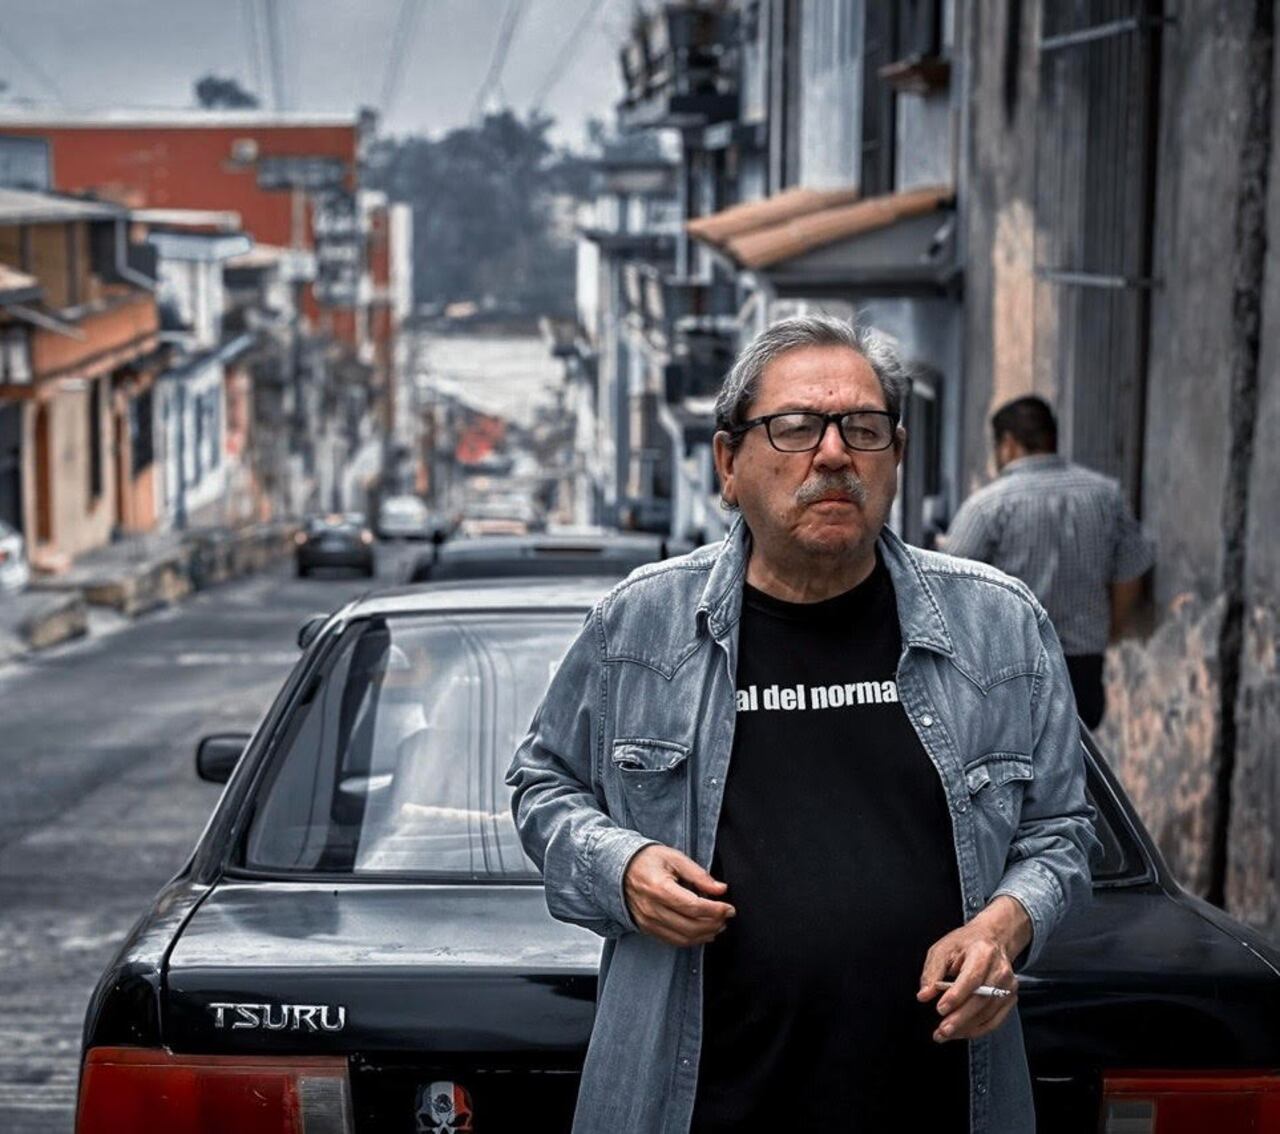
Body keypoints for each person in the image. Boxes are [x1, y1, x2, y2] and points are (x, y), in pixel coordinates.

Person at [507, 316, 1099, 1134]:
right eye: (794, 427)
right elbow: (543, 785)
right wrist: (622, 866)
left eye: (864, 428)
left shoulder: (1000, 625)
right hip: (697, 1107)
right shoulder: (637, 626)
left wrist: (1006, 927)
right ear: (728, 463)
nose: (833, 454)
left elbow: (1062, 831)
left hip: (938, 1102)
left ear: (895, 454)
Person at [944, 395, 1154, 729]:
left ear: (1008, 444)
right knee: (1075, 755)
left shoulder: (987, 506)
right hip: (1084, 667)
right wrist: (1109, 631)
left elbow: (947, 590)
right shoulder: (1106, 495)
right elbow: (1131, 573)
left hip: (1010, 670)